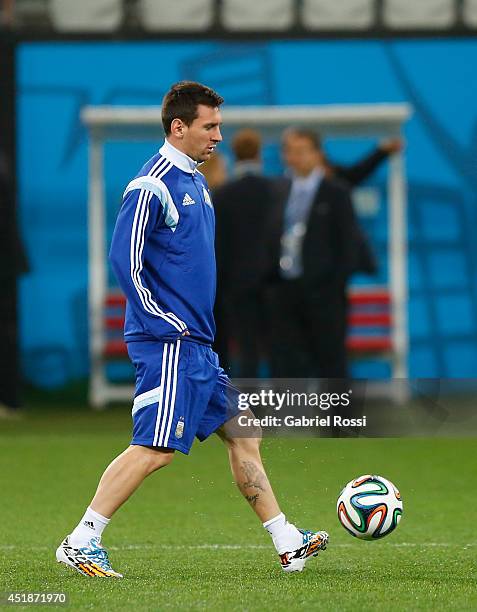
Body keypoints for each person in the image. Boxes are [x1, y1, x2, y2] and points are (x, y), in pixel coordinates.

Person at [56, 82, 328, 578]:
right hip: (169, 343)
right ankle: (82, 538)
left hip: (197, 345)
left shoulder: (197, 182)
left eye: (219, 126)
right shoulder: (151, 184)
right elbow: (125, 258)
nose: (219, 136)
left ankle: (288, 541)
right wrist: (163, 322)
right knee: (155, 448)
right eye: (210, 126)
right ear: (178, 127)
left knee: (245, 433)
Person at [266, 128, 360, 379]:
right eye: (289, 151)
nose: (294, 157)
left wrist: (332, 285)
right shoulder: (276, 191)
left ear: (318, 154)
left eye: (301, 151)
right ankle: (291, 418)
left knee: (332, 364)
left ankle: (338, 419)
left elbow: (348, 245)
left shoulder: (337, 192)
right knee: (287, 365)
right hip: (285, 293)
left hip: (324, 295)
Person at [214, 129, 275, 377]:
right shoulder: (276, 190)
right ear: (259, 154)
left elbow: (219, 244)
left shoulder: (222, 195)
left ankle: (250, 408)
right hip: (272, 281)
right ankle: (283, 405)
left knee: (246, 348)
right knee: (277, 347)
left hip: (236, 284)